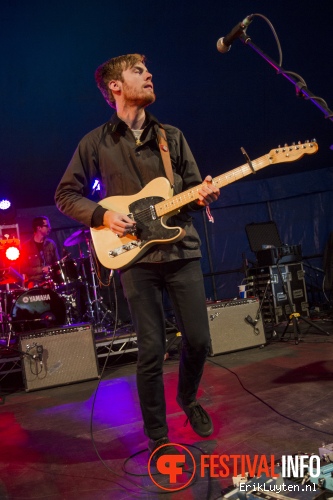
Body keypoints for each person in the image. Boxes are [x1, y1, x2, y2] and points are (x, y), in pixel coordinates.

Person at [55, 53, 220, 460]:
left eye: (147, 71)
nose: (149, 75)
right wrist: (103, 214)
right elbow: (64, 195)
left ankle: (188, 397)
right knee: (150, 348)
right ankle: (158, 435)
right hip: (134, 259)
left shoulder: (172, 137)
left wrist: (204, 194)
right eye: (138, 71)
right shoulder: (95, 142)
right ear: (115, 86)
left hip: (181, 250)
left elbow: (195, 189)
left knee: (198, 341)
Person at [21, 216, 60, 288]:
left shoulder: (51, 244)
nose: (50, 228)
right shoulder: (26, 247)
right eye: (47, 226)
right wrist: (41, 269)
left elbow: (57, 263)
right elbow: (23, 268)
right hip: (34, 282)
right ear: (39, 228)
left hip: (50, 280)